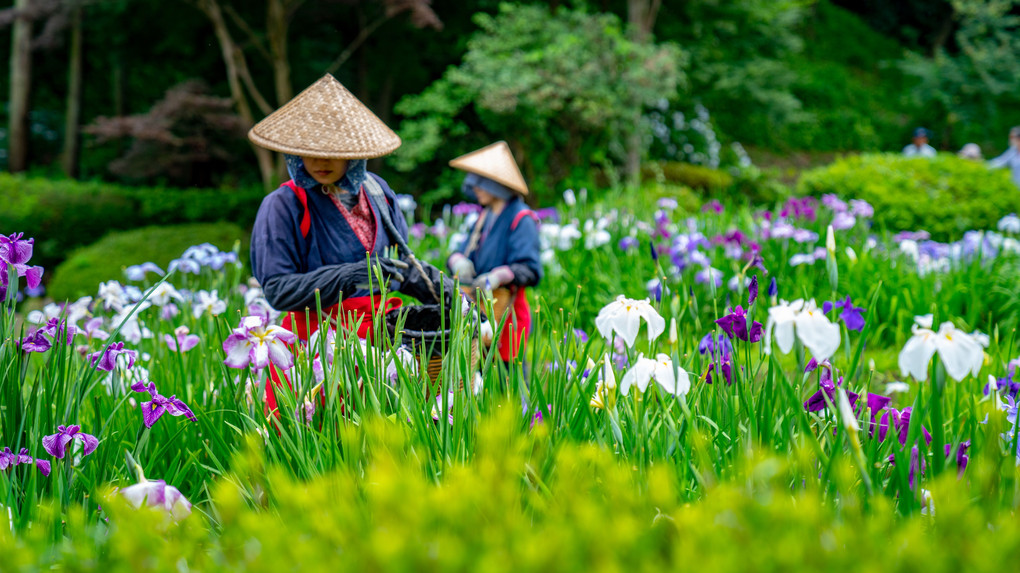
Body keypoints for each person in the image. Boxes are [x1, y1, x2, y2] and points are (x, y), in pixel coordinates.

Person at [248, 74, 453, 414]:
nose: (319, 161)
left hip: (383, 342)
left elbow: (402, 266)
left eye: (333, 152)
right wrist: (354, 275)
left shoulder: (377, 191)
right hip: (314, 347)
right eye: (309, 152)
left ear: (355, 154)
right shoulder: (283, 205)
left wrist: (450, 296)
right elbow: (278, 289)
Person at [446, 141, 542, 364]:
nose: (476, 188)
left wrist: (498, 276)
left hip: (508, 315)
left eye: (481, 183)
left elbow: (530, 269)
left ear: (496, 185)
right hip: (478, 309)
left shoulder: (522, 219)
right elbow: (462, 250)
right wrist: (458, 260)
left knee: (506, 381)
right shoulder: (484, 216)